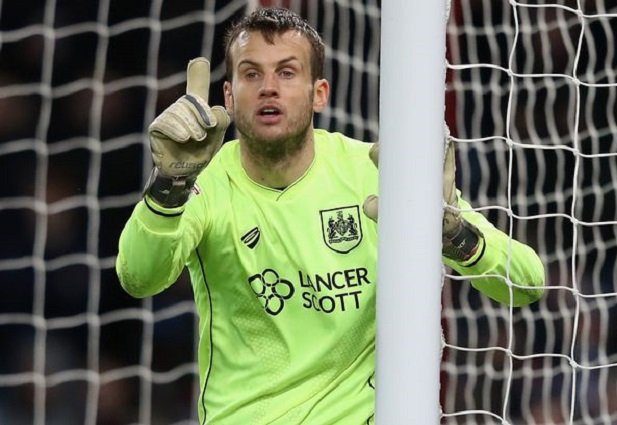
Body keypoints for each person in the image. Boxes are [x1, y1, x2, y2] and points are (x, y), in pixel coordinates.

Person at [116, 7, 545, 424]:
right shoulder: (204, 183)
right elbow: (139, 277)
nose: (269, 88)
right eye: (251, 74)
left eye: (287, 72)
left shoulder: (376, 171)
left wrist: (455, 236)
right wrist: (169, 186)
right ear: (228, 95)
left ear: (319, 93)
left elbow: (527, 282)